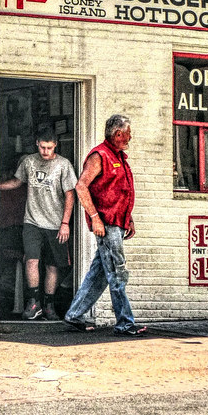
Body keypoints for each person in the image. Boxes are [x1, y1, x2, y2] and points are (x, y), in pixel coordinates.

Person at [64, 114, 146, 336]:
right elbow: (81, 187)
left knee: (100, 272)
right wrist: (95, 217)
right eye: (128, 133)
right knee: (117, 273)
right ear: (118, 134)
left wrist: (128, 218)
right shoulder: (100, 156)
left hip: (116, 223)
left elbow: (121, 192)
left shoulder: (118, 156)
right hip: (107, 224)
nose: (131, 137)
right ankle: (125, 323)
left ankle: (74, 314)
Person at [0, 125, 77, 320]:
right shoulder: (28, 162)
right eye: (42, 147)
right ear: (37, 144)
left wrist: (65, 223)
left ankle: (49, 304)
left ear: (55, 146)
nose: (46, 152)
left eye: (49, 148)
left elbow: (70, 195)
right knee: (31, 260)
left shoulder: (63, 165)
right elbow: (18, 182)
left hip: (55, 223)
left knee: (52, 266)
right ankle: (34, 303)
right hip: (32, 221)